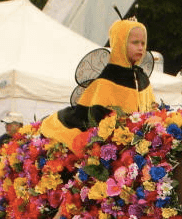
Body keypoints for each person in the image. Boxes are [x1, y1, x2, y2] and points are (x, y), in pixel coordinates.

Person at [39, 18, 157, 150]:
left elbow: (152, 112)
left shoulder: (142, 78)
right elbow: (92, 122)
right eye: (135, 43)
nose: (141, 48)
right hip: (109, 146)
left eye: (143, 43)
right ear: (120, 44)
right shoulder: (106, 79)